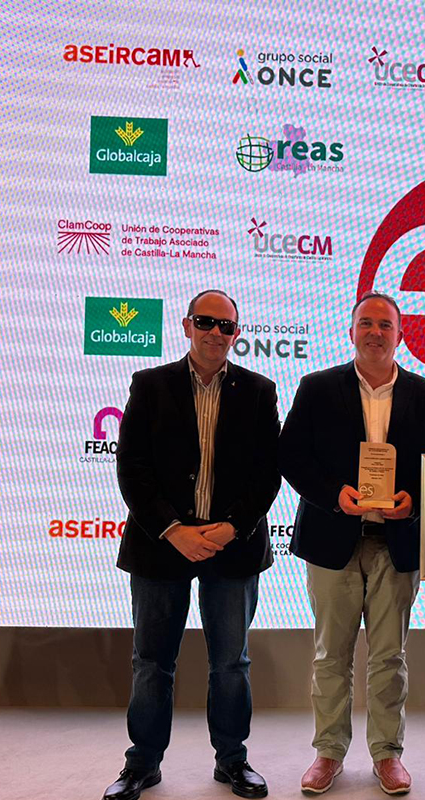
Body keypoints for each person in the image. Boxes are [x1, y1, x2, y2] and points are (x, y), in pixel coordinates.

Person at [105, 289, 280, 800]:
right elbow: (132, 469)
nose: (215, 333)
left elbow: (268, 472)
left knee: (231, 662)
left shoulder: (259, 390)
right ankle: (141, 765)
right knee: (151, 661)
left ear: (236, 334)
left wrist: (231, 528)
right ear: (186, 326)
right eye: (206, 322)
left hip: (233, 543)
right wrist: (173, 530)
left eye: (226, 326)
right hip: (161, 544)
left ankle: (232, 762)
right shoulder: (150, 384)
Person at [278, 291, 425, 795]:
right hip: (332, 538)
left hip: (396, 539)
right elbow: (292, 458)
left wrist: (413, 501)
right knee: (331, 653)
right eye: (366, 323)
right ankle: (328, 752)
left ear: (401, 336)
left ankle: (387, 754)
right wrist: (336, 495)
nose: (375, 332)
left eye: (385, 325)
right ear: (350, 331)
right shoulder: (316, 387)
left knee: (389, 656)